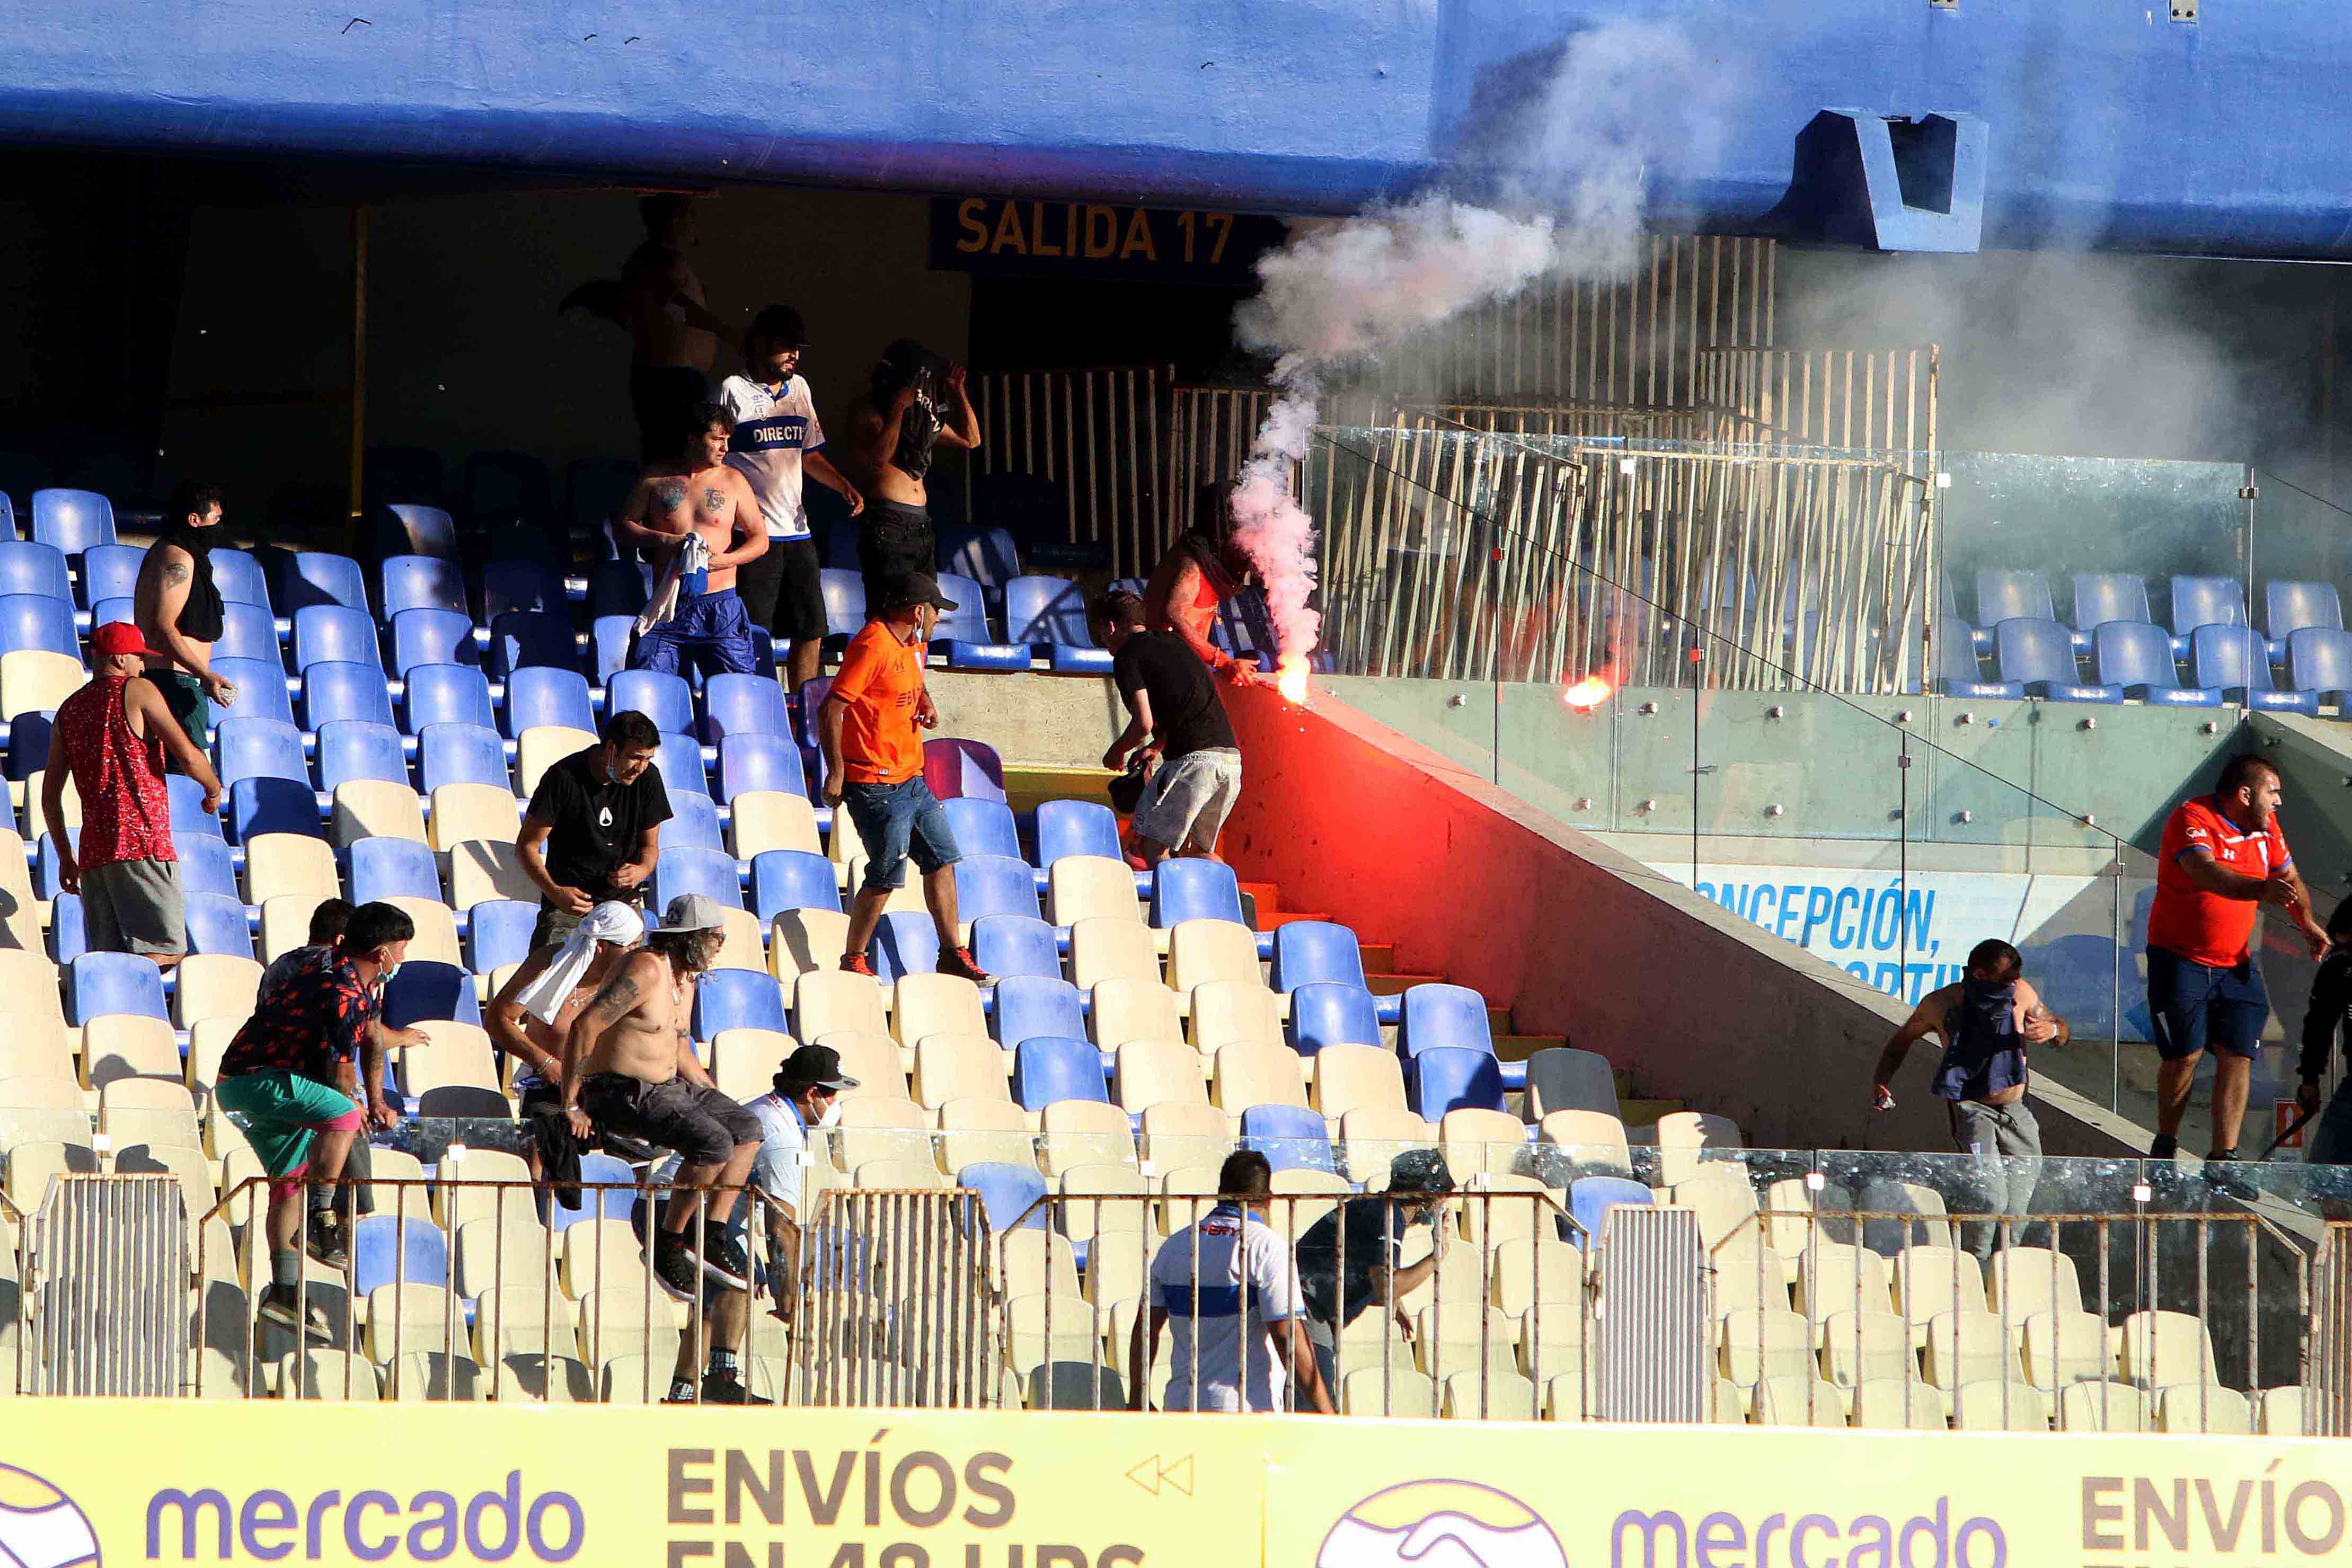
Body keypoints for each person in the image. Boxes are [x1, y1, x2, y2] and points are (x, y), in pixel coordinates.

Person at [214, 900, 414, 1339]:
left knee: (288, 1181)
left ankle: (284, 1292)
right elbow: (344, 1077)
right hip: (257, 1079)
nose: (402, 959)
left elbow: (372, 1038)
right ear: (382, 953)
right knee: (344, 1114)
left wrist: (376, 1097)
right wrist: (358, 1107)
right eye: (400, 949)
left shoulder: (355, 980)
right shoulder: (342, 988)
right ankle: (323, 1220)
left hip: (243, 1083)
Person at [560, 893, 763, 1307]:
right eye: (714, 936)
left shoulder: (685, 977)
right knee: (713, 1144)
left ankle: (712, 1235)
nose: (720, 944)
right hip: (621, 1090)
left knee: (747, 1129)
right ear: (689, 937)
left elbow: (679, 1044)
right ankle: (668, 1242)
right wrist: (571, 1102)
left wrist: (710, 1092)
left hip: (668, 1087)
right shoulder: (646, 969)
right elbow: (584, 1027)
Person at [646, 1041, 857, 1404]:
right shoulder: (783, 1136)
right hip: (678, 1206)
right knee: (742, 1275)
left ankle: (683, 1390)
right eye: (832, 1094)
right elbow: (782, 1230)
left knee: (718, 1287)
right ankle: (721, 1377)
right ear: (811, 1092)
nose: (836, 1104)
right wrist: (790, 1301)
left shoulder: (770, 1110)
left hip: (673, 1201)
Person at [2144, 755, 2330, 1165]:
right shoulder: (2191, 817)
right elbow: (2206, 873)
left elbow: (2291, 879)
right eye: (2273, 791)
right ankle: (2165, 1145)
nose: (2279, 801)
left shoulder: (2266, 828)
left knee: (2239, 1052)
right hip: (2181, 959)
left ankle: (2222, 1157)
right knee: (2185, 1056)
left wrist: (2307, 924)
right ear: (2246, 794)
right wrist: (2260, 890)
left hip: (2235, 962)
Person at [817, 572, 990, 986]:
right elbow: (831, 710)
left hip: (913, 778)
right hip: (875, 784)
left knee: (942, 860)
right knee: (885, 874)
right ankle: (853, 957)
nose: (937, 620)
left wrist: (925, 702)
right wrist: (837, 772)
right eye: (935, 612)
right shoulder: (872, 645)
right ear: (918, 611)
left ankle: (951, 953)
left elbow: (912, 683)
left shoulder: (913, 643)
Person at [1869, 938, 2068, 1257]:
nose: (2012, 984)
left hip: (2016, 1109)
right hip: (1973, 1110)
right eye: (2005, 979)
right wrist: (1882, 1081)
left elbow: (2062, 1030)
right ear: (1978, 974)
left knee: (2018, 1205)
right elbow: (1902, 1040)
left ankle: (2003, 1271)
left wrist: (2053, 1030)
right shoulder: (1942, 1004)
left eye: (2016, 978)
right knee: (1991, 1197)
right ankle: (1974, 1262)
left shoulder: (2021, 994)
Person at [43, 621, 223, 974]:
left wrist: (66, 857)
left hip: (95, 854)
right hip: (142, 840)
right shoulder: (138, 690)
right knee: (167, 949)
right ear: (121, 657)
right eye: (140, 657)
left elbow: (50, 797)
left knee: (112, 964)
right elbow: (186, 754)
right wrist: (213, 787)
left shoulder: (69, 710)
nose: (143, 665)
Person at [257, 896, 425, 1238]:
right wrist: (367, 1100)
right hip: (317, 1085)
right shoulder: (346, 975)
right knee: (347, 1179)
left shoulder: (280, 965)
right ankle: (332, 1231)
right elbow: (363, 1041)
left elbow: (371, 1035)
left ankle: (292, 1274)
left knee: (290, 1190)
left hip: (279, 1083)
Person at [719, 304, 864, 691]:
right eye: (786, 347)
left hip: (798, 533)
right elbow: (715, 458)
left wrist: (842, 485)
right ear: (761, 344)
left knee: (812, 627)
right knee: (753, 631)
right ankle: (752, 699)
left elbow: (810, 454)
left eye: (798, 347)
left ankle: (804, 708)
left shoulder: (800, 388)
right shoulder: (732, 389)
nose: (794, 356)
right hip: (753, 536)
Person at [1128, 1149, 1332, 1414]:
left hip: (1180, 1405)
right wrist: (1327, 1412)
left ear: (1220, 1191)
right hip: (1244, 1411)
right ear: (1269, 1200)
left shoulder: (1174, 1245)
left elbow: (1145, 1328)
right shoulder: (1267, 1247)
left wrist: (1137, 1396)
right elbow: (1287, 1336)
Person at [1092, 588, 1244, 867]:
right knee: (1201, 852)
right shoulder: (1175, 644)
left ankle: (1175, 909)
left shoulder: (1128, 655)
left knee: (1153, 847)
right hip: (1230, 761)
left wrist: (1117, 752)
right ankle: (1225, 906)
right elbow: (1186, 703)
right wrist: (1156, 747)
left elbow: (1143, 722)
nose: (1103, 640)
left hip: (1196, 762)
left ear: (1111, 626)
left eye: (1102, 633)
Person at [618, 404, 768, 679]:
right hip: (669, 603)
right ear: (693, 438)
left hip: (720, 607)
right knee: (647, 681)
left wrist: (725, 561)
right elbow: (625, 527)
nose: (725, 447)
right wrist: (664, 539)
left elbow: (760, 539)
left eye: (727, 440)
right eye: (716, 439)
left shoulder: (734, 481)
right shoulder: (657, 478)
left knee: (734, 691)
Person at [1294, 1150, 1456, 1399]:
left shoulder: (1375, 1208)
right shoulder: (1387, 1216)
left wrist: (1396, 1300)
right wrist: (1437, 1257)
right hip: (1306, 1309)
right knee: (1317, 1409)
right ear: (1424, 1197)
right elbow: (1386, 1287)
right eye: (1438, 1198)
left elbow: (1372, 1276)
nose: (1440, 1207)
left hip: (1307, 1305)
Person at [517, 709, 673, 948]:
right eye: (635, 757)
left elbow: (650, 847)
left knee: (629, 981)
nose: (640, 768)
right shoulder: (563, 778)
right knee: (551, 979)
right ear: (611, 748)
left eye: (648, 759)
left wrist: (642, 870)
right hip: (570, 904)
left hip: (623, 904)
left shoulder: (649, 778)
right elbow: (527, 846)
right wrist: (555, 892)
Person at [844, 339, 979, 607]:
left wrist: (958, 392)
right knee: (890, 605)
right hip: (889, 521)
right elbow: (880, 458)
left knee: (928, 606)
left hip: (921, 523)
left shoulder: (920, 422)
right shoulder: (869, 411)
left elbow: (971, 440)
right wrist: (898, 408)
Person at [488, 899, 646, 1130]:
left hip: (608, 1088)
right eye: (630, 947)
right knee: (550, 1138)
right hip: (551, 1088)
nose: (637, 955)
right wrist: (545, 1064)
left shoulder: (635, 977)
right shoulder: (549, 965)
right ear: (602, 946)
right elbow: (497, 1019)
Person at [132, 480, 237, 772]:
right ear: (194, 520)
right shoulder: (178, 558)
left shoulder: (169, 553)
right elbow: (164, 628)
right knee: (194, 779)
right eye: (215, 520)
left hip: (180, 681)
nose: (219, 527)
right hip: (175, 685)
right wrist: (205, 673)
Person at [1141, 481, 1261, 687]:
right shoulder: (1191, 564)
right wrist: (1223, 661)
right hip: (1166, 674)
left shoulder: (1209, 561)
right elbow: (1173, 614)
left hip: (1187, 671)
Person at [2295, 900, 2352, 1164]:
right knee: (2323, 1168)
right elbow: (2319, 1024)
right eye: (2341, 947)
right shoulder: (2339, 967)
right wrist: (2310, 1079)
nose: (2346, 955)